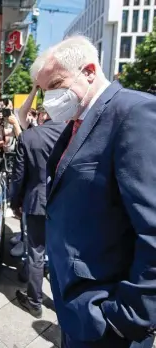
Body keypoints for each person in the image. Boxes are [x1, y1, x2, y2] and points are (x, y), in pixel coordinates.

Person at [31, 35, 156, 347]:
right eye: (45, 91)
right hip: (75, 304)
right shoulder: (75, 124)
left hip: (107, 317)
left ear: (88, 71)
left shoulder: (133, 113)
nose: (50, 99)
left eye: (56, 84)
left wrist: (126, 317)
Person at [9, 112, 66, 318]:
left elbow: (18, 175)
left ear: (43, 114)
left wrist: (14, 202)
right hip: (65, 203)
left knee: (36, 252)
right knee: (62, 254)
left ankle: (35, 301)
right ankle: (63, 303)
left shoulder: (30, 136)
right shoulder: (74, 133)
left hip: (36, 202)